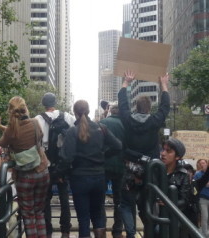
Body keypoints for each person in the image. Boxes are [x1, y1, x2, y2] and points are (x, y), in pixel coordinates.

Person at [57, 100, 122, 238]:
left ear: (75, 113)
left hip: (79, 178)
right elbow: (118, 146)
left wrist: (59, 173)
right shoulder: (101, 128)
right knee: (98, 216)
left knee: (83, 218)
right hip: (99, 177)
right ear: (89, 111)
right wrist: (104, 156)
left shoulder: (72, 131)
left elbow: (66, 157)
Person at [118, 70, 170, 238]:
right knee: (146, 205)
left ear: (136, 107)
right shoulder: (154, 121)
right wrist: (164, 85)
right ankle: (151, 232)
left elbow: (122, 104)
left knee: (126, 204)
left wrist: (126, 82)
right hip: (149, 172)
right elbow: (165, 108)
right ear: (149, 109)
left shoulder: (128, 120)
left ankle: (131, 233)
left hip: (130, 171)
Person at [0, 96, 50, 238]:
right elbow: (40, 136)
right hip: (42, 171)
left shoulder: (10, 130)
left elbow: (2, 142)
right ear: (25, 107)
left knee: (28, 214)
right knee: (39, 212)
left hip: (24, 176)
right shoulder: (35, 123)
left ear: (10, 111)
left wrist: (0, 126)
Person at [33, 92, 75, 238]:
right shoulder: (68, 116)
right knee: (64, 198)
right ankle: (65, 230)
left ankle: (47, 230)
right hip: (62, 166)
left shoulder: (37, 119)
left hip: (44, 165)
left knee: (45, 199)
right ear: (55, 103)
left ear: (44, 104)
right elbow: (75, 135)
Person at [99, 102, 126, 238]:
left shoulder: (103, 123)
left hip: (103, 165)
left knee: (100, 199)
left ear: (110, 111)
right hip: (121, 166)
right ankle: (117, 231)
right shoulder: (125, 124)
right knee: (119, 200)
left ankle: (101, 228)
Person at [159, 138, 192, 237]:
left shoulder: (183, 175)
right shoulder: (155, 170)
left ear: (177, 156)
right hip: (155, 217)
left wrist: (168, 202)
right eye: (163, 149)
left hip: (173, 221)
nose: (163, 153)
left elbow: (185, 200)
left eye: (168, 151)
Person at [194, 159, 209, 238]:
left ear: (207, 164)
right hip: (202, 198)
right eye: (201, 163)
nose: (203, 164)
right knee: (204, 217)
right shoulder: (198, 174)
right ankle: (205, 234)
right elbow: (195, 186)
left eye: (204, 163)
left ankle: (205, 231)